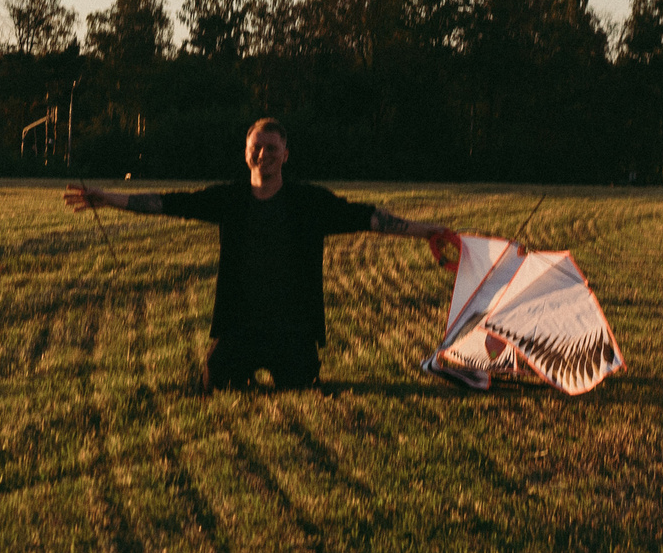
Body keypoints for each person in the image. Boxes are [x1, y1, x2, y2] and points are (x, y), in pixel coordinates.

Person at [65, 117, 458, 390]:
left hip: (294, 330)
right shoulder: (230, 199)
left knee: (301, 387)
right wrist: (106, 199)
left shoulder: (309, 202)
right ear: (246, 153)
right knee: (216, 383)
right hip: (239, 328)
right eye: (257, 148)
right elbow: (167, 202)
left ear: (286, 154)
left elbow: (368, 219)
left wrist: (428, 232)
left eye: (272, 148)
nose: (264, 154)